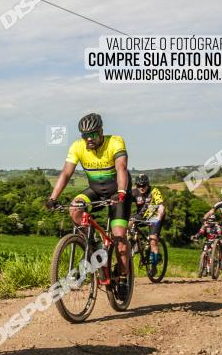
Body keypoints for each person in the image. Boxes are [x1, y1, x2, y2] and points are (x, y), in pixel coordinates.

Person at [46, 113, 132, 293]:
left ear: (101, 131)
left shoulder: (115, 142)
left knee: (119, 236)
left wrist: (121, 192)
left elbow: (121, 167)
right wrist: (52, 198)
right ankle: (92, 244)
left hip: (118, 192)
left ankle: (123, 277)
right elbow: (66, 174)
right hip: (96, 191)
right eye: (85, 135)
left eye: (93, 134)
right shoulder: (78, 147)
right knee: (75, 208)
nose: (89, 139)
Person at [132, 174, 166, 271]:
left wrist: (159, 217)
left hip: (155, 216)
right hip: (142, 215)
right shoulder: (134, 192)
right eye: (139, 186)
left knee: (153, 239)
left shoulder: (154, 191)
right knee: (128, 223)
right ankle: (136, 241)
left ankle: (154, 266)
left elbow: (161, 206)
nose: (141, 188)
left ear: (148, 184)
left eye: (143, 185)